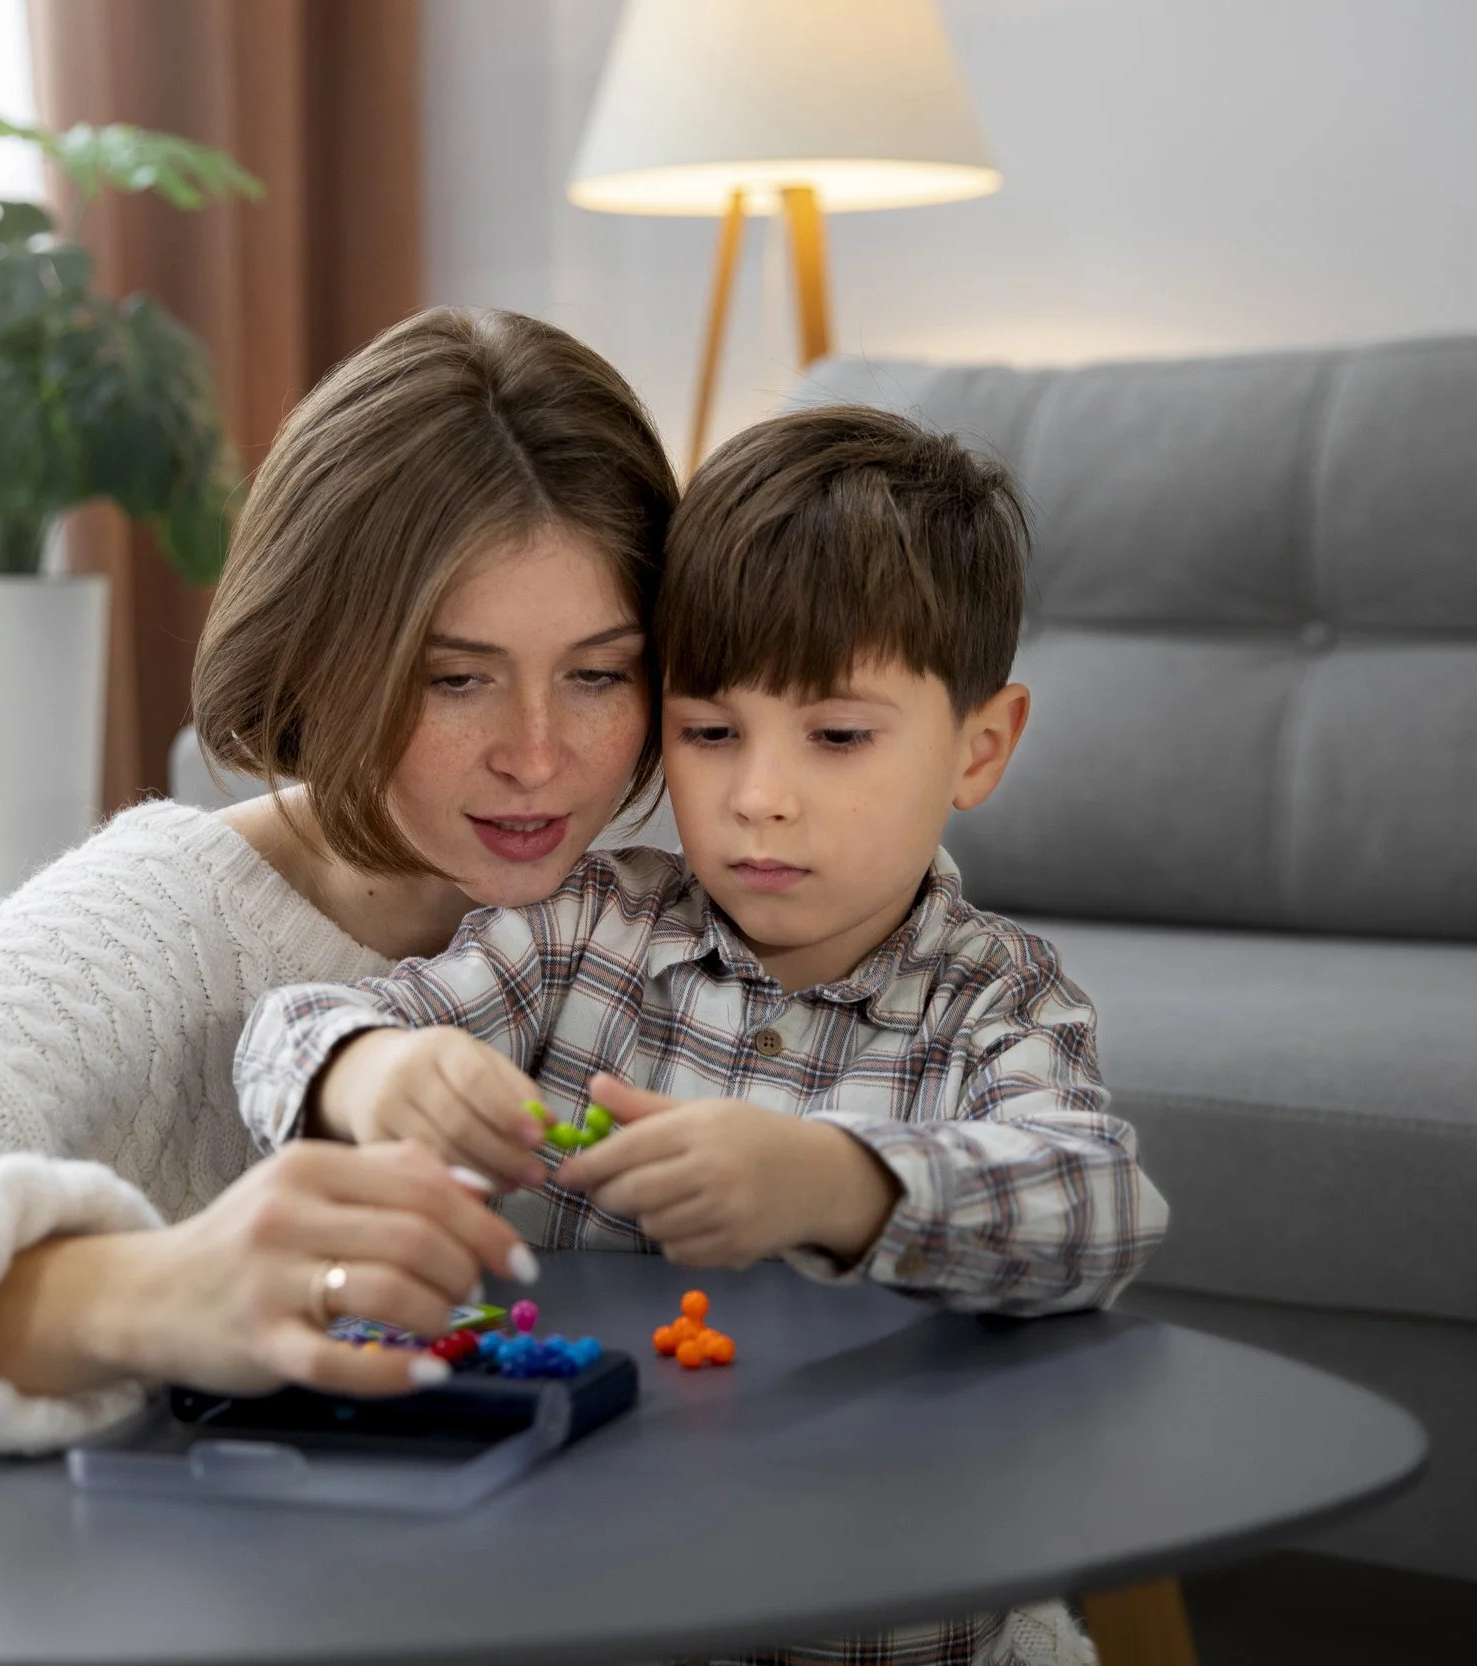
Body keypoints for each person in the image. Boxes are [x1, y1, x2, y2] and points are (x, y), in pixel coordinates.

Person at [0, 307, 673, 1663]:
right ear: (322, 654)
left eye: (599, 674)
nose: (539, 755)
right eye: (455, 678)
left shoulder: (698, 909)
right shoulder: (162, 915)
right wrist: (146, 1294)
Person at [233, 405, 1172, 1666]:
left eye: (837, 736)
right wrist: (372, 1065)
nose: (757, 795)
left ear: (978, 746)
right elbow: (290, 1026)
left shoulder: (996, 1000)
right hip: (586, 1597)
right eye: (709, 731)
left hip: (885, 1617)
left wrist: (835, 1182)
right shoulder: (583, 930)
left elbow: (1101, 1206)